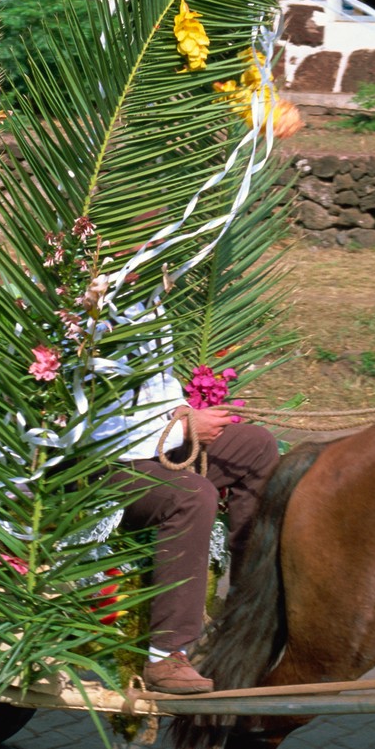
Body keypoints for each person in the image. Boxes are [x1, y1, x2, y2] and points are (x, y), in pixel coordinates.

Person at [96, 293, 279, 695]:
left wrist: (181, 412)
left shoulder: (146, 296)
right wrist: (183, 429)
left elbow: (155, 390)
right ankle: (166, 655)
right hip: (98, 467)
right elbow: (84, 424)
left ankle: (246, 605)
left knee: (257, 445)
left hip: (151, 444)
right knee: (191, 495)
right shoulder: (86, 306)